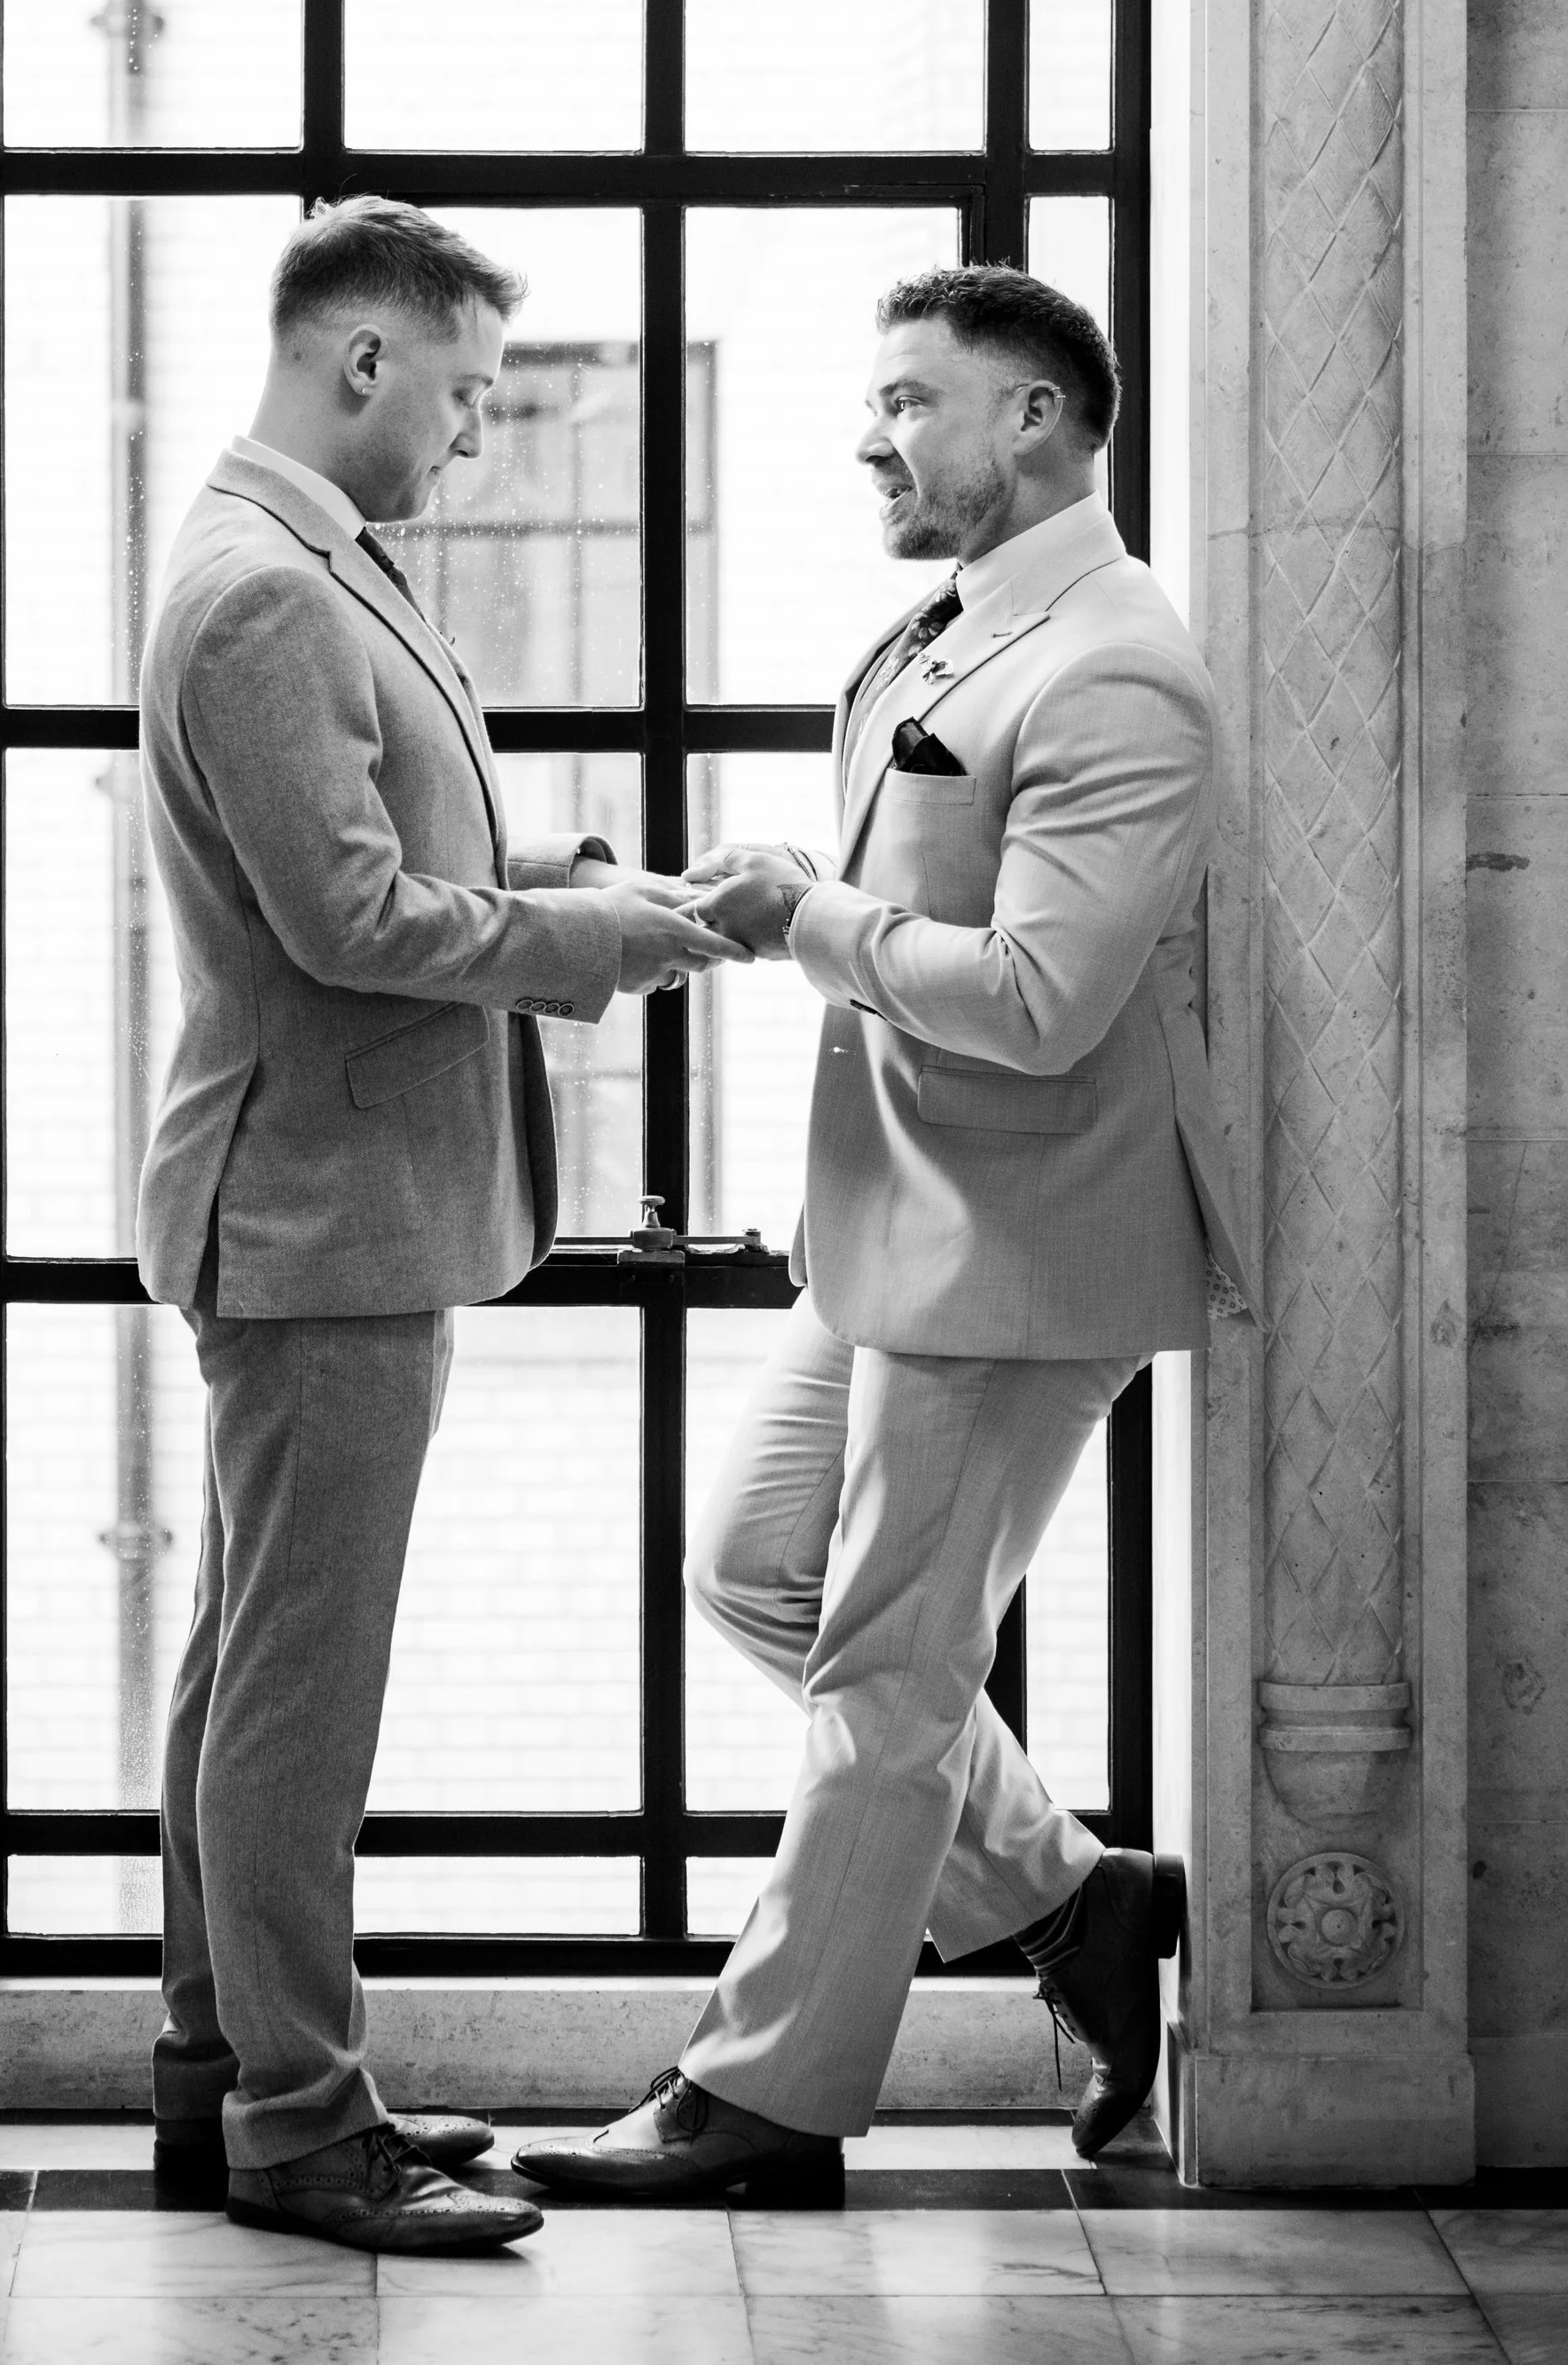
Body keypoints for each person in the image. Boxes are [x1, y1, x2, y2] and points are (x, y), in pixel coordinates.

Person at [517, 265, 1256, 2204]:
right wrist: (784, 901)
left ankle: (760, 2099)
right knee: (755, 1567)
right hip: (892, 1224)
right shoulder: (959, 623)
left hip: (1017, 1251)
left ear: (1031, 418)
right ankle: (1079, 1903)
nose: (870, 435)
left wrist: (796, 921)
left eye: (908, 400)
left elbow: (1037, 997)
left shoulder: (1112, 661)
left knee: (882, 1678)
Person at [137, 195, 742, 2254]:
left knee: (246, 1666)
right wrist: (613, 943)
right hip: (322, 1218)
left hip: (327, 1205)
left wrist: (588, 876)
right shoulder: (265, 596)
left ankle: (220, 2075)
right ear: (360, 361)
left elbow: (399, 850)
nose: (472, 438)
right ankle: (301, 2124)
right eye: (468, 396)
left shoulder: (298, 567)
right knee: (299, 1692)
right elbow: (353, 921)